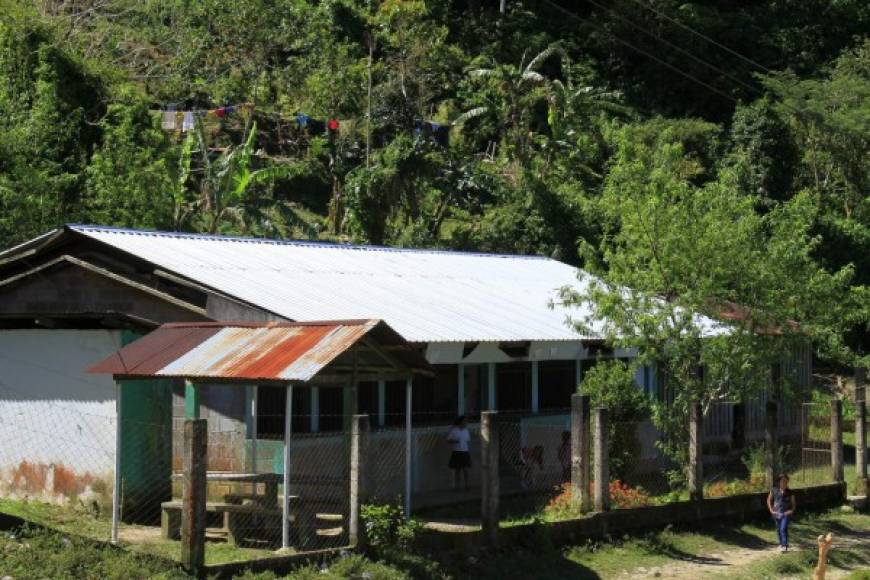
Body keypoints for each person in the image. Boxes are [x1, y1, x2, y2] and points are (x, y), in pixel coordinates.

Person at [767, 473, 796, 552]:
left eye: (786, 481)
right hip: (776, 514)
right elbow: (769, 500)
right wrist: (771, 509)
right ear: (779, 482)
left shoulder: (790, 492)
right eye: (783, 481)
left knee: (783, 529)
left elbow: (793, 504)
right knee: (778, 529)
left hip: (786, 514)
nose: (784, 483)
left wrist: (791, 510)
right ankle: (781, 544)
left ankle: (784, 545)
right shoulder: (774, 490)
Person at [447, 416, 471, 490]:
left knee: (466, 469)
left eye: (466, 421)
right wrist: (454, 441)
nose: (466, 423)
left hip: (465, 451)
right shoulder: (454, 430)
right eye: (464, 421)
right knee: (458, 470)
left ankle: (467, 485)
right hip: (457, 451)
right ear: (460, 422)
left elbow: (468, 440)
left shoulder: (466, 431)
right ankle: (457, 486)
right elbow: (448, 440)